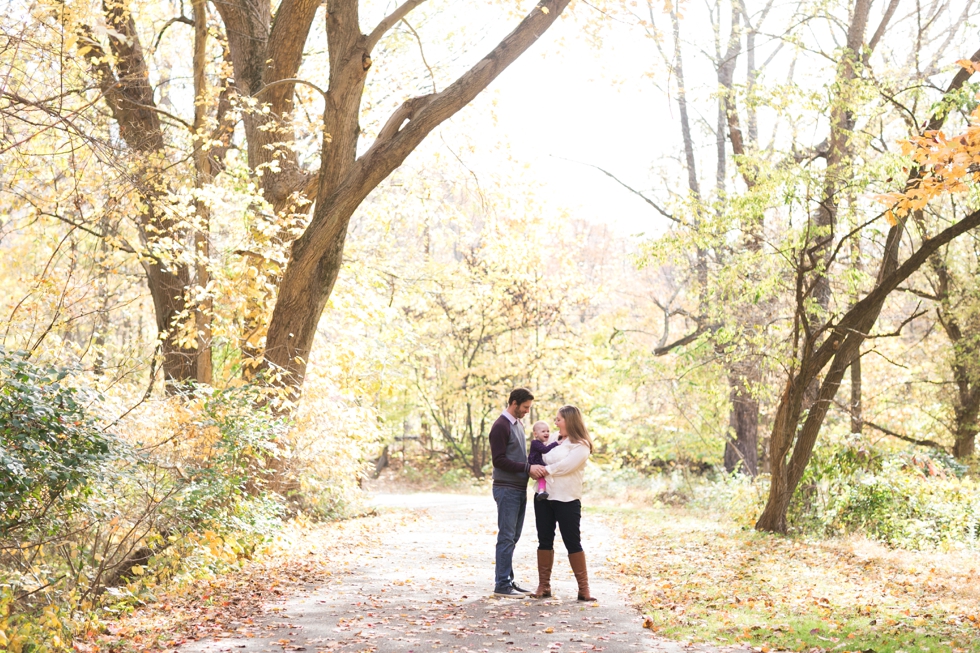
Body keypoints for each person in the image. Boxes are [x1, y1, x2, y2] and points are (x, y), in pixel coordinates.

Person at [488, 388, 547, 598]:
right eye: (525, 407)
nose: (527, 412)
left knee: (513, 536)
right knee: (506, 536)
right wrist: (526, 469)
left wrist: (532, 468)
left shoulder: (518, 424)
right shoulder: (500, 426)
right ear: (514, 403)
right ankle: (501, 584)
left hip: (518, 488)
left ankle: (508, 580)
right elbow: (499, 460)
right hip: (506, 488)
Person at [531, 405, 595, 601]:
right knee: (544, 539)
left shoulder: (581, 445)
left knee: (572, 541)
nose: (555, 423)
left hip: (567, 498)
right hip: (544, 496)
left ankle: (584, 589)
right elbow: (538, 454)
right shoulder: (551, 439)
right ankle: (544, 585)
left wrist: (545, 470)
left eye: (558, 419)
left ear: (569, 420)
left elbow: (566, 466)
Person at [528, 421, 562, 501]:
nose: (546, 433)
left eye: (548, 431)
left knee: (542, 477)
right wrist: (556, 443)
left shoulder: (540, 442)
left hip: (537, 461)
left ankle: (542, 491)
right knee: (542, 475)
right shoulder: (535, 443)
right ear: (536, 434)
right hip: (535, 462)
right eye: (543, 431)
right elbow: (545, 450)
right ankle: (541, 491)